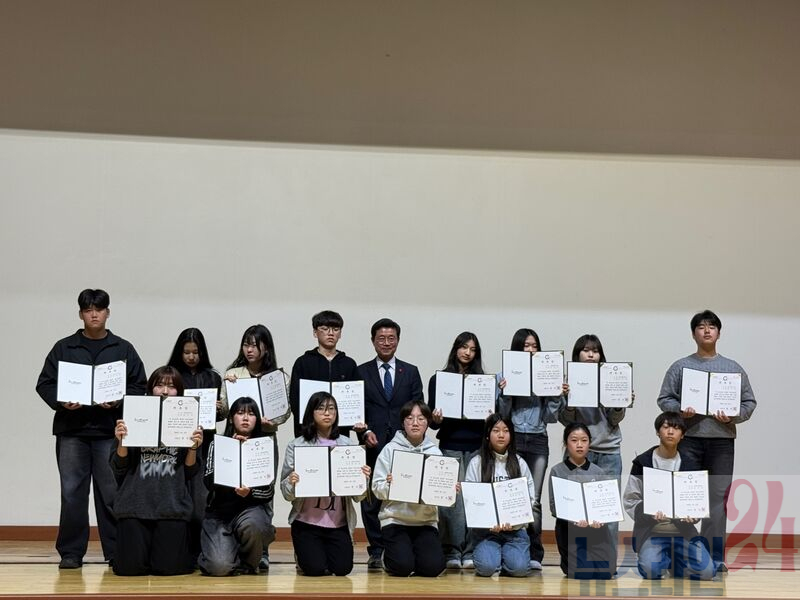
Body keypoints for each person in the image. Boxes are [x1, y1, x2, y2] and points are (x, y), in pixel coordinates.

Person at [35, 288, 147, 569]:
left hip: (109, 431)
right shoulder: (64, 348)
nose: (94, 314)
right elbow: (45, 383)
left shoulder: (123, 348)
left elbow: (140, 385)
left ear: (108, 312)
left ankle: (116, 551)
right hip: (72, 431)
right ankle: (71, 552)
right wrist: (62, 401)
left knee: (111, 493)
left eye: (99, 309)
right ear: (81, 314)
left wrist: (119, 401)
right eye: (88, 310)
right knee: (72, 493)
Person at [657, 309, 756, 572]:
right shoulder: (680, 366)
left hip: (722, 442)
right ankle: (682, 556)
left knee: (718, 500)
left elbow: (749, 402)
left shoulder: (733, 368)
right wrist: (681, 410)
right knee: (685, 499)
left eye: (712, 326)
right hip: (689, 440)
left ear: (719, 333)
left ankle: (714, 557)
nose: (707, 330)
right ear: (694, 334)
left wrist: (733, 415)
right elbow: (664, 399)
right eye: (701, 327)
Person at [111, 366, 203, 576]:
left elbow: (190, 472)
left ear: (179, 392)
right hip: (134, 504)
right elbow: (119, 466)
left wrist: (193, 447)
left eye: (171, 387)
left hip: (171, 505)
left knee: (168, 568)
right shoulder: (134, 414)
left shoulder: (187, 418)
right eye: (159, 385)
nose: (164, 391)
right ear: (150, 389)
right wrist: (122, 440)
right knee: (129, 569)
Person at [221, 324, 291, 571]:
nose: (249, 350)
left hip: (265, 440)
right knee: (232, 486)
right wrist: (226, 388)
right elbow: (223, 412)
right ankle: (231, 541)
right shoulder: (234, 373)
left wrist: (272, 421)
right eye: (246, 344)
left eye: (254, 345)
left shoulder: (279, 378)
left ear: (266, 348)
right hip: (234, 440)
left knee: (263, 490)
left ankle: (262, 550)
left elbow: (284, 413)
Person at [357, 318, 424, 570]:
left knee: (402, 492)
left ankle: (401, 544)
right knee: (371, 498)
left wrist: (410, 435)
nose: (386, 343)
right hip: (372, 443)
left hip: (404, 446)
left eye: (391, 338)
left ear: (398, 340)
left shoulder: (411, 371)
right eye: (381, 338)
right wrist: (365, 432)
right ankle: (377, 549)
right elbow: (356, 408)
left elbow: (418, 407)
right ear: (373, 341)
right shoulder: (361, 371)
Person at [280, 392, 371, 576]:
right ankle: (305, 554)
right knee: (314, 569)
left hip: (338, 524)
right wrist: (291, 482)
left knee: (342, 569)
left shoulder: (347, 445)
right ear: (311, 413)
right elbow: (286, 493)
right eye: (320, 408)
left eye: (331, 408)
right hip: (306, 522)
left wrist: (364, 481)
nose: (327, 413)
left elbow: (358, 497)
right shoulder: (297, 445)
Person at [428, 331, 496, 570]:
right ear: (455, 348)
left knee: (474, 499)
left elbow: (493, 420)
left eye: (473, 349)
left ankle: (470, 550)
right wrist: (436, 418)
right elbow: (433, 423)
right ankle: (452, 550)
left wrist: (489, 418)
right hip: (450, 445)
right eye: (464, 347)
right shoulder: (439, 380)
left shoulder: (484, 382)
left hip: (477, 446)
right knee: (451, 500)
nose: (468, 352)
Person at [497, 328, 563, 570]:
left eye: (534, 345)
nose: (531, 350)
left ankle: (535, 553)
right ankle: (507, 547)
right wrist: (504, 393)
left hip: (537, 439)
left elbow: (551, 417)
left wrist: (555, 395)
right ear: (517, 348)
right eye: (526, 345)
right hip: (513, 438)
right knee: (510, 494)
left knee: (533, 499)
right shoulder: (505, 374)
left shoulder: (547, 373)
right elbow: (502, 416)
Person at [559, 334, 633, 550]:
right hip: (579, 452)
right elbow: (565, 420)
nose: (591, 355)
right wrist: (569, 402)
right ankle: (575, 558)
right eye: (586, 350)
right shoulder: (567, 381)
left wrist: (620, 403)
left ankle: (607, 559)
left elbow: (614, 419)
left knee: (607, 509)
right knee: (575, 507)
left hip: (609, 451)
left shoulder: (611, 377)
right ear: (577, 355)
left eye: (595, 351)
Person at [623, 412, 716, 580]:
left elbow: (697, 502)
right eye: (666, 427)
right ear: (658, 432)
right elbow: (630, 500)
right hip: (653, 532)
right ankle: (663, 560)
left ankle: (674, 562)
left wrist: (694, 516)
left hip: (683, 532)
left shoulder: (691, 465)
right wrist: (648, 514)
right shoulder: (643, 462)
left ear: (683, 435)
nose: (671, 432)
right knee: (651, 571)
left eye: (676, 428)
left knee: (707, 572)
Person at [198, 396, 276, 576]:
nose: (246, 418)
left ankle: (248, 562)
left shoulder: (264, 446)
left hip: (251, 511)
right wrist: (231, 450)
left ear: (257, 419)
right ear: (232, 418)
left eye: (251, 413)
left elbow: (268, 492)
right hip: (220, 514)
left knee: (253, 525)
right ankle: (218, 553)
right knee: (219, 567)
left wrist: (249, 492)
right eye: (240, 413)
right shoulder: (218, 444)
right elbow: (208, 482)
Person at [166, 327, 224, 563]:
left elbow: (219, 416)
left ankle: (200, 550)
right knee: (177, 495)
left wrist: (219, 409)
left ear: (202, 352)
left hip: (205, 444)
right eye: (186, 352)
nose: (191, 357)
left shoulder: (213, 377)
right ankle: (179, 548)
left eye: (195, 352)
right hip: (175, 445)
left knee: (201, 498)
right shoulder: (171, 376)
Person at [371, 400, 447, 577]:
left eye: (421, 418)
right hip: (395, 519)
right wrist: (389, 485)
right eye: (410, 418)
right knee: (402, 567)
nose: (415, 423)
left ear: (427, 422)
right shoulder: (390, 449)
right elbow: (376, 487)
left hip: (425, 521)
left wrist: (449, 491)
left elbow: (441, 494)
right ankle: (388, 556)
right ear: (403, 422)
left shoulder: (435, 453)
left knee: (433, 568)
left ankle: (413, 552)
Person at [464, 414, 533, 577]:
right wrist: (488, 522)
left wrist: (515, 522)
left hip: (515, 532)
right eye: (496, 430)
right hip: (486, 532)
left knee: (519, 569)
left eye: (506, 431)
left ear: (511, 435)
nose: (501, 435)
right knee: (487, 568)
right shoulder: (476, 462)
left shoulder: (520, 463)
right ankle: (495, 557)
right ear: (488, 435)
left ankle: (506, 558)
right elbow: (470, 500)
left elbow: (530, 498)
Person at [548, 423, 616, 580]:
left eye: (584, 440)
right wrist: (573, 518)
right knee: (583, 573)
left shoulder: (598, 472)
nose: (579, 445)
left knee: (606, 573)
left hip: (595, 530)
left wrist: (601, 518)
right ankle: (568, 562)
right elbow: (554, 505)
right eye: (574, 440)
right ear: (566, 443)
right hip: (569, 530)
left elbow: (604, 505)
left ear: (589, 443)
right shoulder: (557, 471)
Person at [288, 310, 361, 437]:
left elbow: (357, 399)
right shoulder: (303, 362)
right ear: (315, 332)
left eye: (336, 329)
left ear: (340, 333)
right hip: (308, 432)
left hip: (339, 433)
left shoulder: (348, 364)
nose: (331, 333)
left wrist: (355, 421)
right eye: (325, 329)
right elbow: (295, 399)